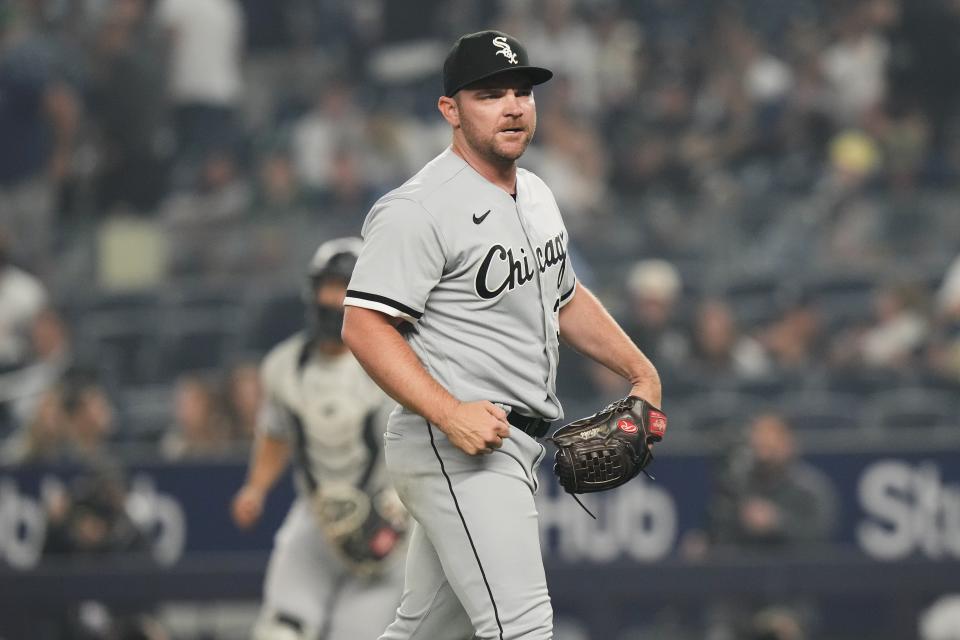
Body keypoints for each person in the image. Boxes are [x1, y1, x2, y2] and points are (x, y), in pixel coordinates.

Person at [341, 30, 661, 640]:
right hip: (458, 446)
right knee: (523, 628)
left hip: (506, 442)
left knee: (424, 631)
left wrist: (641, 372)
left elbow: (563, 297)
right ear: (450, 111)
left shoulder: (536, 192)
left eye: (522, 91)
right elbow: (364, 326)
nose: (513, 105)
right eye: (490, 94)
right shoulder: (419, 207)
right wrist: (451, 412)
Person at [231, 237, 404, 640]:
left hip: (384, 522)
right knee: (279, 630)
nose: (333, 298)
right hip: (316, 517)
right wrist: (255, 488)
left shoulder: (396, 362)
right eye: (328, 286)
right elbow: (275, 435)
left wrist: (400, 508)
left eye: (344, 287)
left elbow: (418, 445)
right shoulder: (284, 366)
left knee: (357, 633)